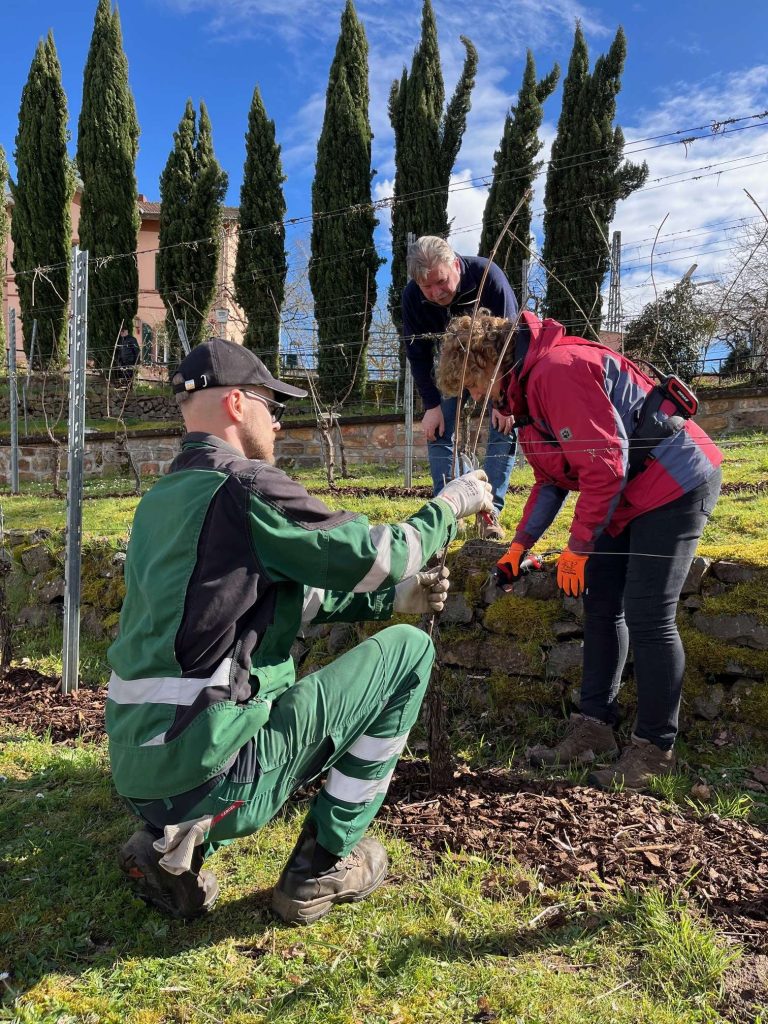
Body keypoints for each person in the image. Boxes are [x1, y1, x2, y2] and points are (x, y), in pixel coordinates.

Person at [107, 337, 492, 923]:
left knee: (237, 686)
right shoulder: (244, 486)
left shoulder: (162, 501)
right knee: (411, 652)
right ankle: (321, 866)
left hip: (138, 769)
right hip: (210, 774)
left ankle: (166, 836)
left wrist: (397, 599)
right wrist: (450, 505)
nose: (280, 426)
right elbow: (377, 555)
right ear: (237, 404)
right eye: (274, 407)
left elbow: (270, 601)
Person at [437, 312, 723, 792]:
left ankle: (654, 750)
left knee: (649, 613)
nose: (470, 396)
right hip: (627, 492)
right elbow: (552, 480)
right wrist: (519, 546)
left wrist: (578, 547)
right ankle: (594, 727)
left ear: (488, 364)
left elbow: (605, 466)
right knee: (601, 604)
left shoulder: (557, 371)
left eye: (469, 384)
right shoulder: (524, 398)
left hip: (674, 480)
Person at [401, 236, 518, 541]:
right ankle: (447, 516)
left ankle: (490, 514)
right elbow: (417, 353)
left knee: (503, 427)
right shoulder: (413, 297)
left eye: (442, 281)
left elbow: (509, 343)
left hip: (495, 369)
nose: (437, 293)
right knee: (439, 429)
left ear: (455, 264)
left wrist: (505, 404)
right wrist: (431, 406)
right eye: (428, 288)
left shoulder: (487, 276)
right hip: (453, 370)